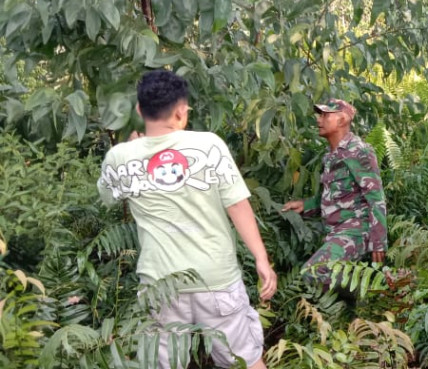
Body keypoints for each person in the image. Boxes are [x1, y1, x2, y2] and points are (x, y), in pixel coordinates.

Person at [96, 70, 277, 369]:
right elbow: (237, 204)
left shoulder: (120, 157)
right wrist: (261, 257)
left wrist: (130, 148)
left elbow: (109, 196)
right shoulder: (209, 145)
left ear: (140, 110)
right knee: (244, 361)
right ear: (181, 111)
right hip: (216, 279)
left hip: (160, 285)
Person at [281, 99, 387, 288]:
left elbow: (376, 199)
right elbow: (332, 196)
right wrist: (306, 206)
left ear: (342, 120)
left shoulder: (359, 152)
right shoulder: (330, 156)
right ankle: (352, 300)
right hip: (334, 231)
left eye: (324, 115)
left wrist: (378, 242)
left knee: (312, 273)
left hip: (355, 231)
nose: (318, 120)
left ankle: (367, 291)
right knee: (313, 274)